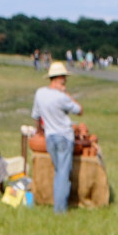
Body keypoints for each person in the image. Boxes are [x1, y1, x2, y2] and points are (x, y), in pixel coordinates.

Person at [31, 61, 82, 214]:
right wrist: (67, 94)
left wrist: (40, 130)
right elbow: (79, 110)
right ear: (60, 78)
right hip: (65, 137)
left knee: (58, 170)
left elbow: (36, 116)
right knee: (63, 173)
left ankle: (57, 203)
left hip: (50, 137)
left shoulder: (40, 93)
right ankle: (60, 209)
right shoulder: (62, 97)